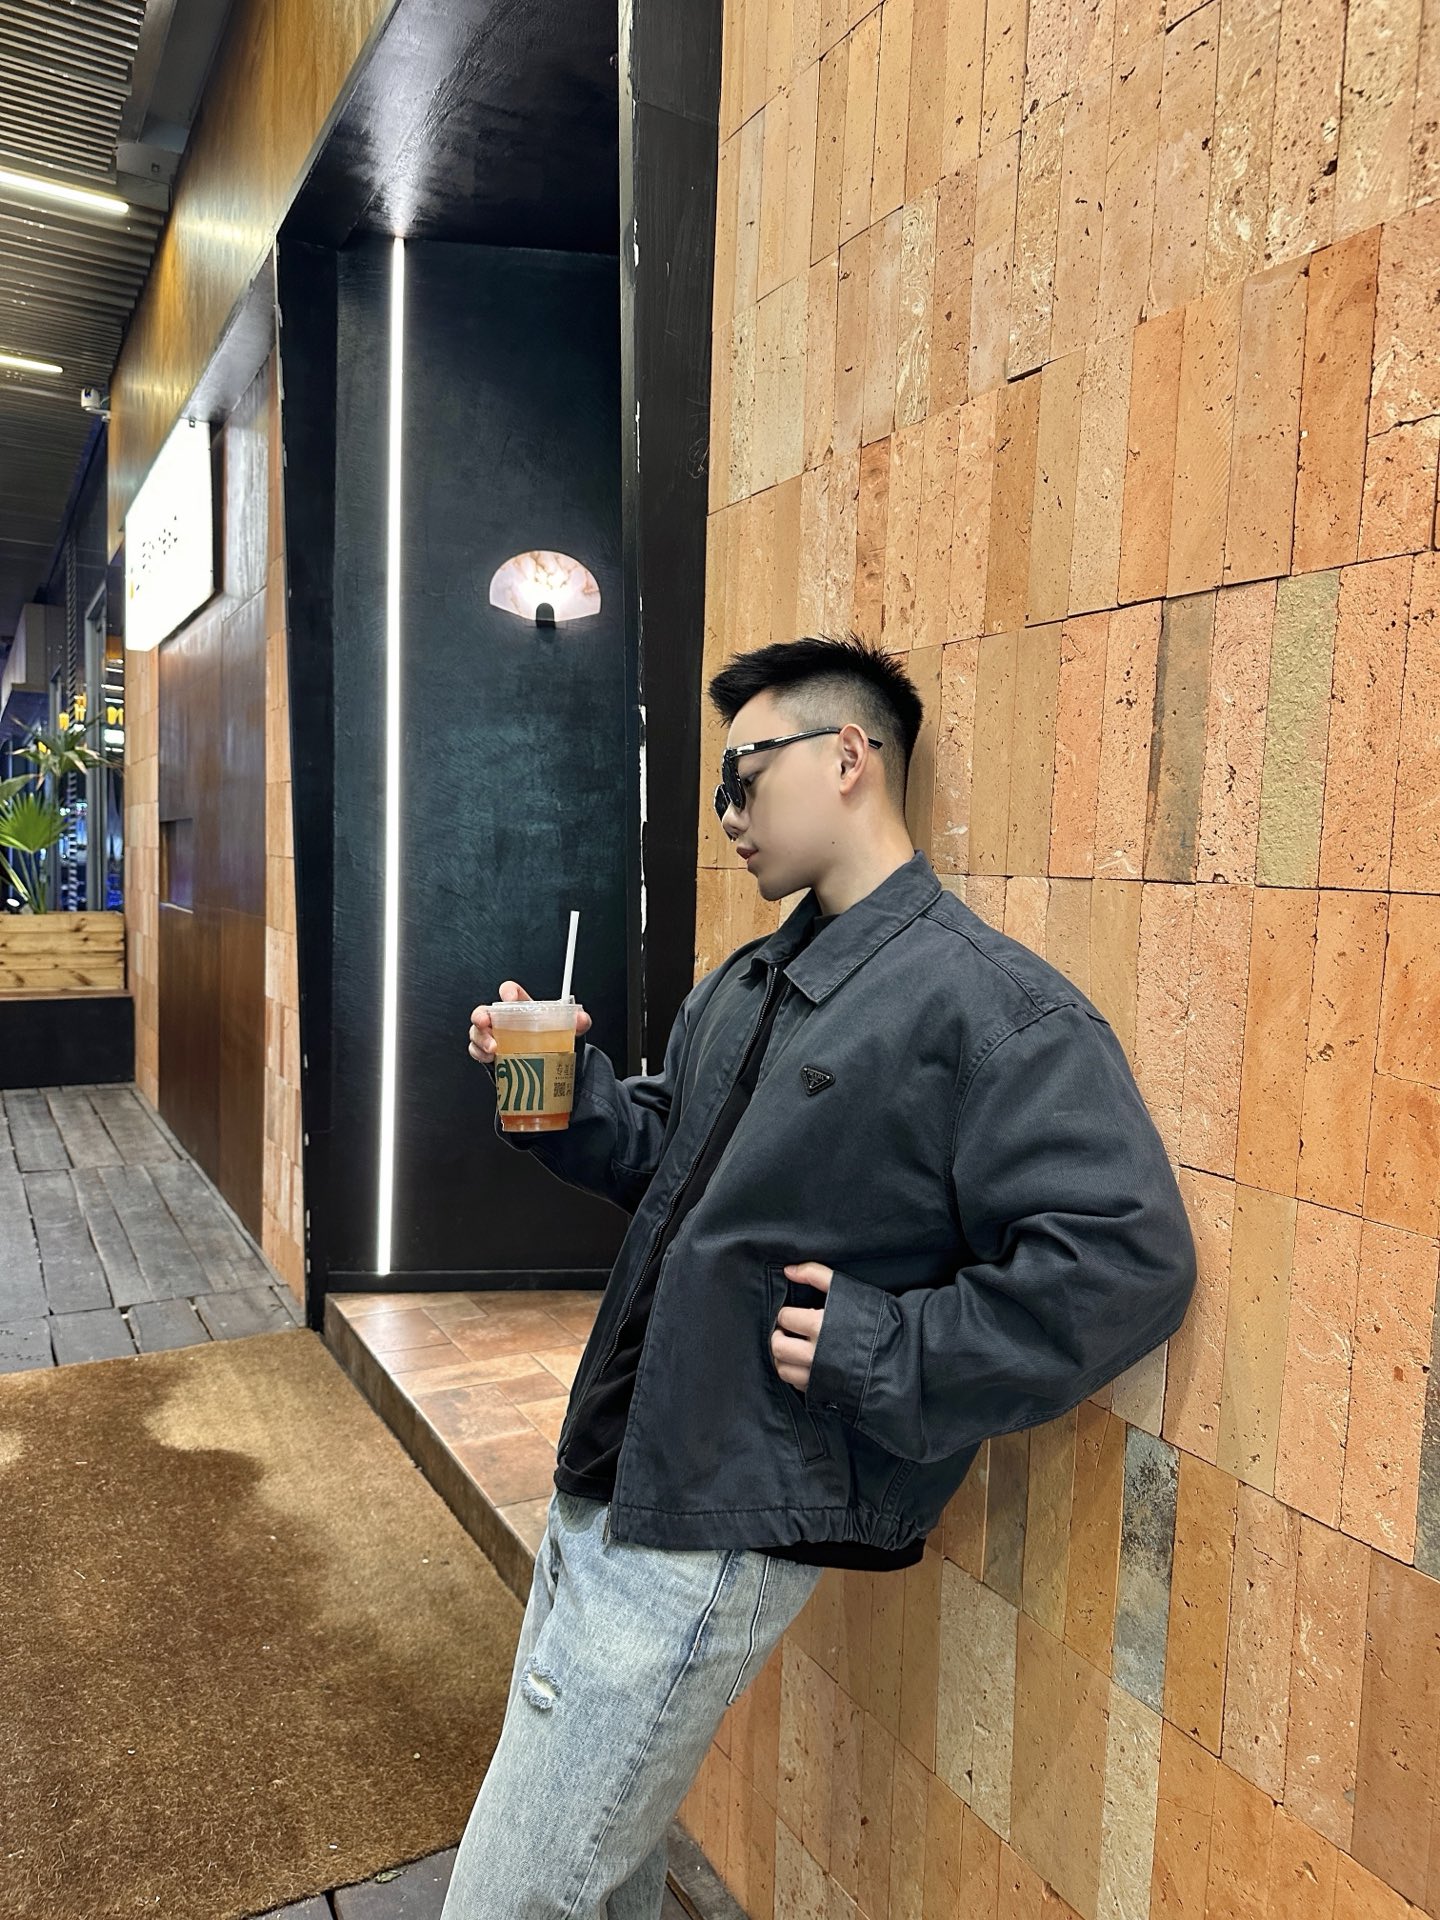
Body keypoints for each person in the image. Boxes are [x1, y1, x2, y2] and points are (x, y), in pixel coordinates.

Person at [442, 633, 1197, 1920]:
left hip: (718, 1511)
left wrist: (886, 1351)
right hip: (614, 1472)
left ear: (850, 757)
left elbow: (1127, 1256)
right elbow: (678, 1160)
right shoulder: (749, 981)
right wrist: (571, 1100)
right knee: (595, 1880)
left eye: (744, 775)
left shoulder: (986, 1006)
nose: (727, 814)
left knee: (513, 1897)